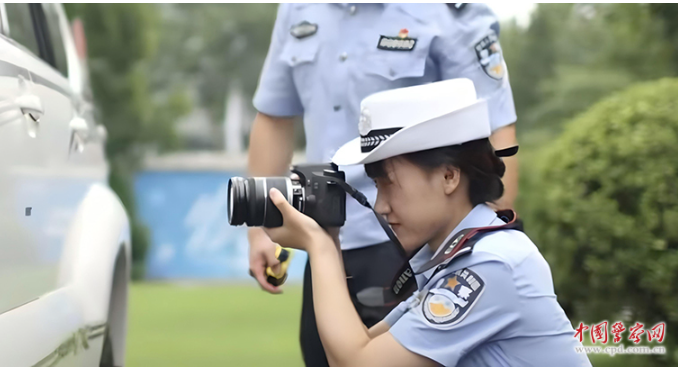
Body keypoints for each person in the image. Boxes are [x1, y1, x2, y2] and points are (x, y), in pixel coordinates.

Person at [247, 3, 519, 366]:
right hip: (323, 231)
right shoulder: (298, 8)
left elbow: (493, 127)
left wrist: (480, 243)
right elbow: (274, 115)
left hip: (415, 247)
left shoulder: (447, 11)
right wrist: (259, 230)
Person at [263, 79, 591, 367]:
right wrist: (330, 238)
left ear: (449, 176)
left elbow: (359, 364)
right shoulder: (453, 258)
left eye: (389, 184)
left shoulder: (490, 265)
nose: (380, 206)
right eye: (376, 187)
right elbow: (360, 346)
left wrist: (319, 247)